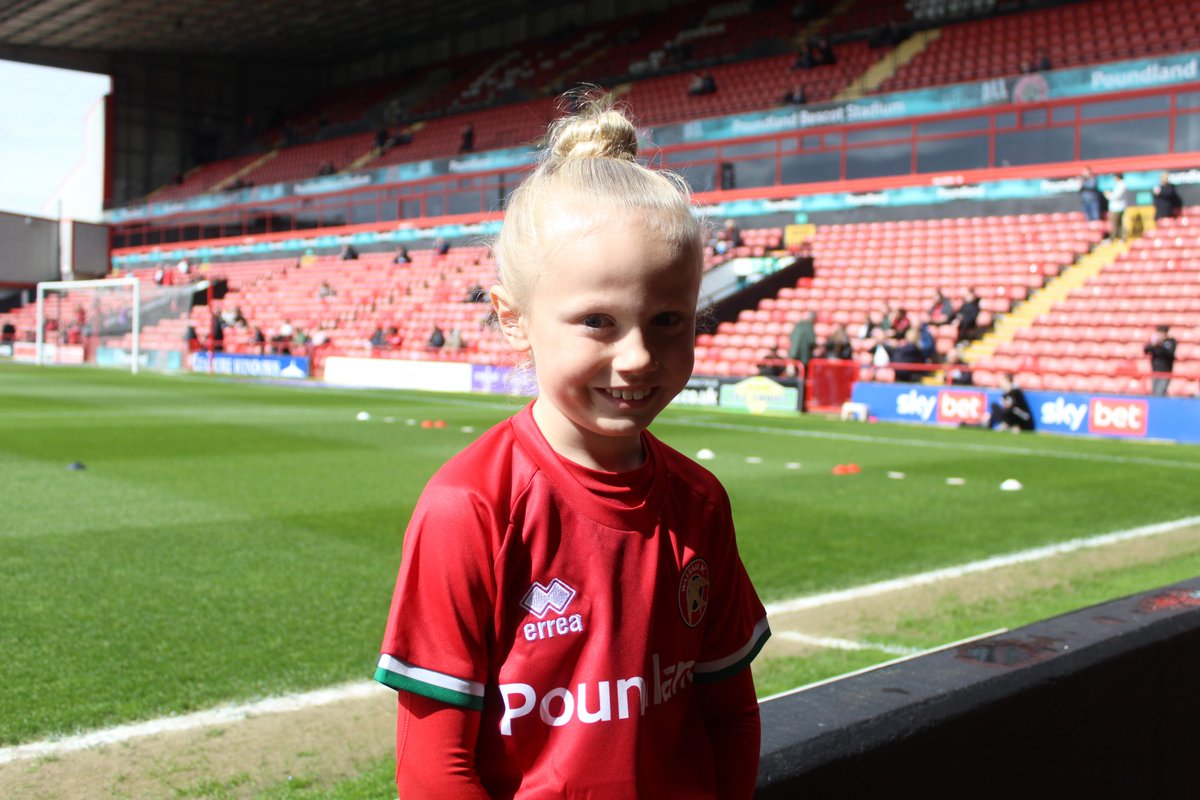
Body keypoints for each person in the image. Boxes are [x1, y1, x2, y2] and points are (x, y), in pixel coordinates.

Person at [375, 96, 768, 799]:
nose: (639, 356)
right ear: (513, 319)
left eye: (669, 319)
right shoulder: (469, 510)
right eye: (597, 322)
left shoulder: (700, 501)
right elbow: (434, 771)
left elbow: (730, 716)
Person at [1144, 325, 1177, 397]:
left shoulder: (1170, 342)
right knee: (1155, 392)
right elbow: (1146, 350)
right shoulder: (1154, 343)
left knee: (1160, 392)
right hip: (1155, 371)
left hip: (1165, 372)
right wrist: (1154, 344)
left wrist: (1161, 344)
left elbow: (1170, 353)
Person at [1107, 172, 1128, 241]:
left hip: (1118, 208)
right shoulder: (1119, 184)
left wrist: (1108, 195)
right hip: (1117, 207)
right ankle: (1119, 238)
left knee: (1116, 224)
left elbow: (1116, 196)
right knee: (1118, 224)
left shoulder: (1121, 185)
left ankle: (1116, 238)